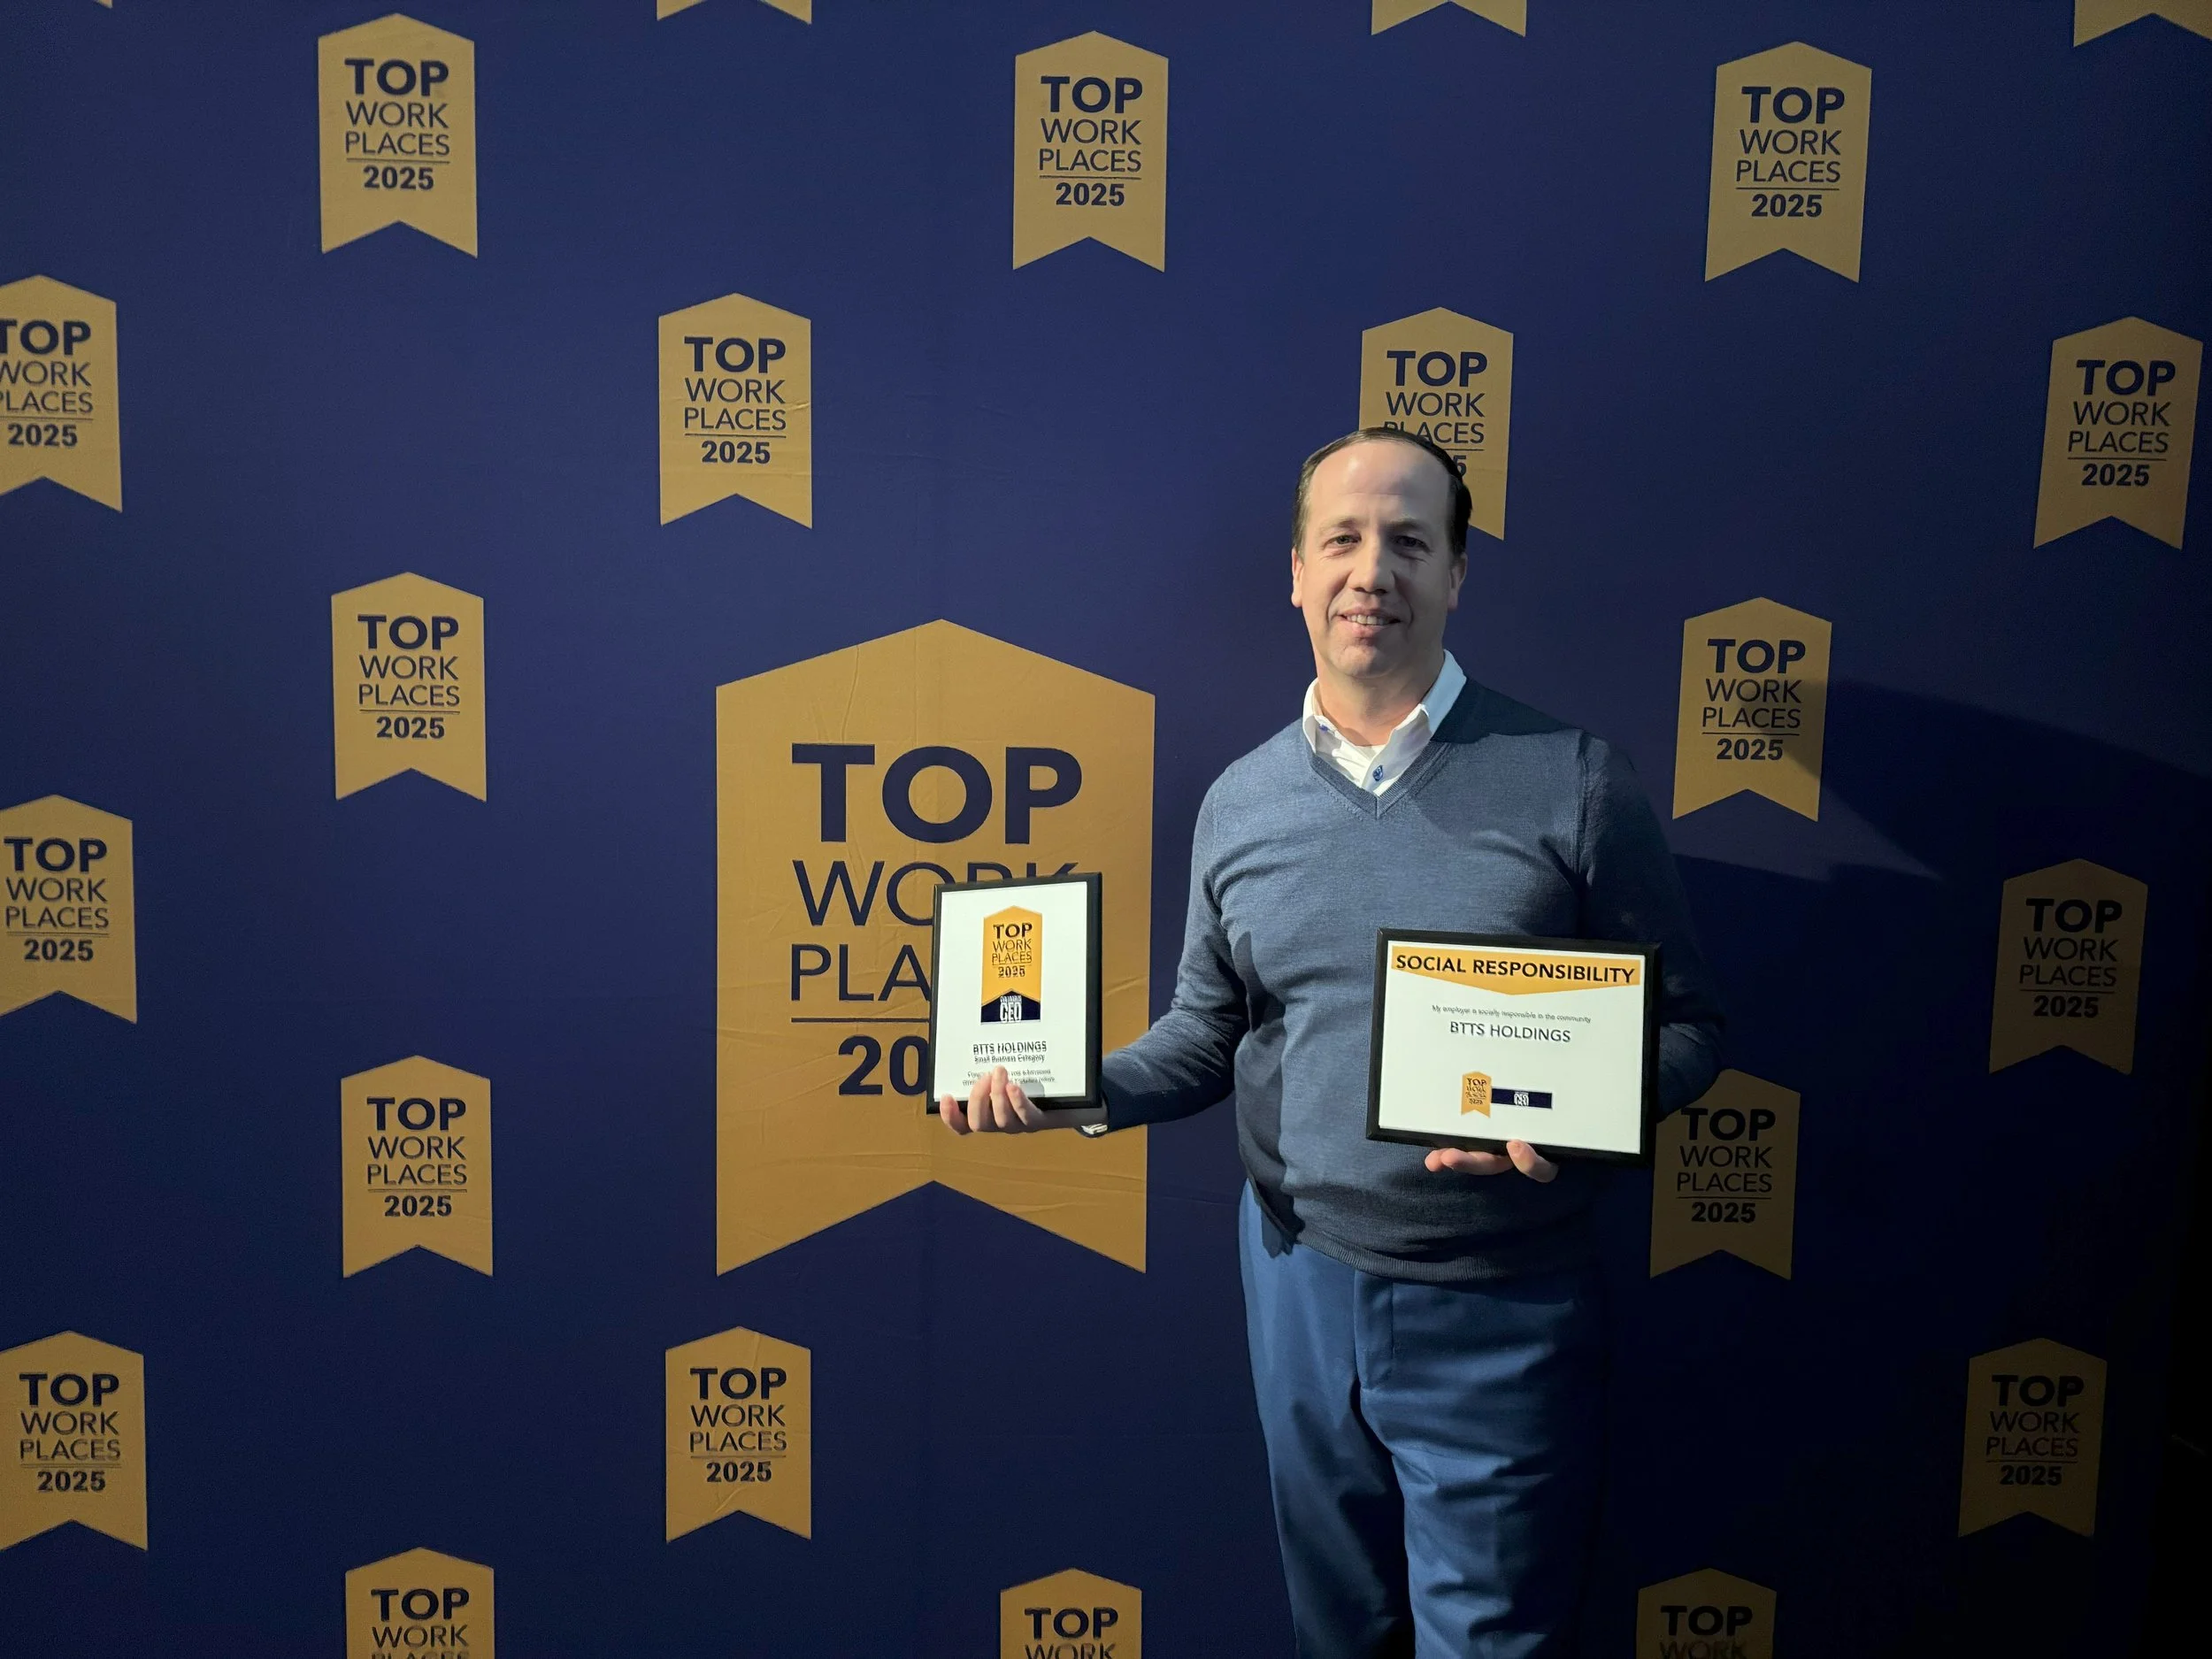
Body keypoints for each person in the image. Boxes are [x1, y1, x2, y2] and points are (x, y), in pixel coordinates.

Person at [940, 427, 1724, 1657]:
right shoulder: (1241, 801)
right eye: (1343, 540)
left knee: (1492, 1644)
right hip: (1297, 1282)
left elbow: (1689, 1028)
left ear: (1456, 573)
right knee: (1338, 1632)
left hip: (1501, 1300)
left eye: (1410, 540)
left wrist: (1581, 1117)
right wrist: (1076, 1090)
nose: (1373, 571)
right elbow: (1206, 1031)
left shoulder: (1574, 781)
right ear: (1297, 572)